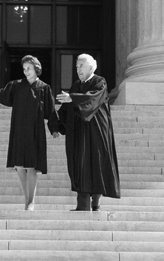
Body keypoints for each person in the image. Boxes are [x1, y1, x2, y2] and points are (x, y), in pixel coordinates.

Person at [0, 55, 59, 211]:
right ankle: (26, 198)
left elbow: (50, 110)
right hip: (18, 129)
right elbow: (1, 95)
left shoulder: (44, 88)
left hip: (35, 131)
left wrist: (55, 128)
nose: (26, 72)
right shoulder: (16, 86)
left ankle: (31, 202)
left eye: (29, 68)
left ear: (36, 68)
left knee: (31, 167)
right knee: (19, 166)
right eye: (24, 69)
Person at [56, 54, 120, 211]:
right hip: (78, 133)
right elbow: (66, 109)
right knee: (80, 164)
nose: (78, 69)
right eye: (77, 67)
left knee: (95, 164)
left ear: (92, 67)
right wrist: (56, 123)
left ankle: (96, 202)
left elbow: (92, 99)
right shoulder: (76, 86)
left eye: (81, 66)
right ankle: (83, 205)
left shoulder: (100, 82)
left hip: (96, 132)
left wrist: (72, 98)